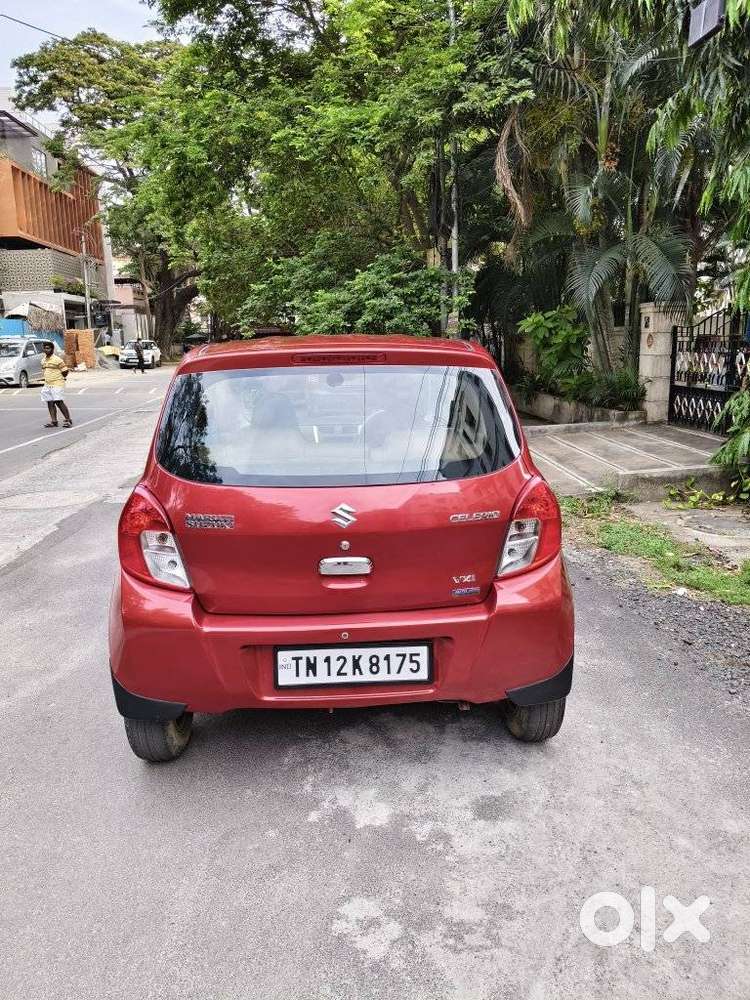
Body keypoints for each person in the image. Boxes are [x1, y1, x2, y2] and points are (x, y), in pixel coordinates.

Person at [40, 342, 73, 428]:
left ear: (52, 349)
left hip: (57, 383)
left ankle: (68, 420)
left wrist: (60, 378)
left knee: (59, 402)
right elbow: (44, 371)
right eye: (45, 348)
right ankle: (54, 421)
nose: (46, 350)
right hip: (47, 384)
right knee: (50, 402)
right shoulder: (43, 360)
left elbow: (65, 371)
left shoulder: (57, 359)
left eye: (48, 348)